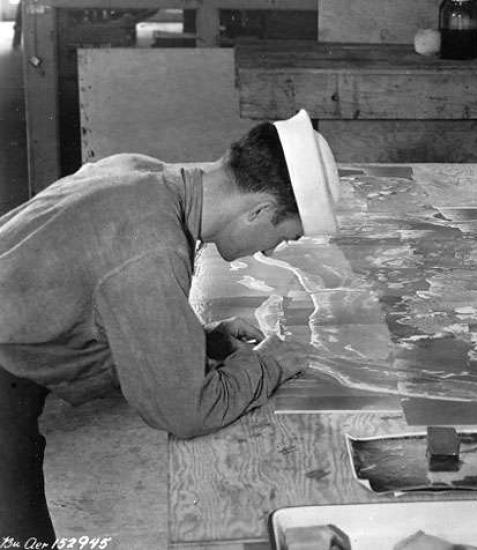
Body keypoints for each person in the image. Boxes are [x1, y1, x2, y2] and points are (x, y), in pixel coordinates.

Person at [0, 109, 340, 543]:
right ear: (259, 210)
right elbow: (186, 412)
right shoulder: (150, 251)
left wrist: (199, 342)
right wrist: (269, 363)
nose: (272, 251)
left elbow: (93, 289)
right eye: (284, 237)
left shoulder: (139, 170)